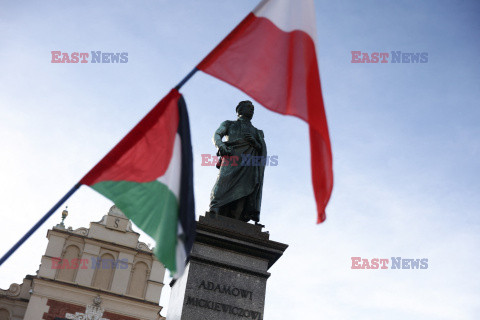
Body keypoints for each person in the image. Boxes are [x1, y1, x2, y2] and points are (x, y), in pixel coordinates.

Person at [209, 100, 266, 223]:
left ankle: (237, 219)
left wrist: (255, 143)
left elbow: (262, 150)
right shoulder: (229, 124)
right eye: (249, 107)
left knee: (244, 189)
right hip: (231, 158)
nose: (252, 109)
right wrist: (220, 145)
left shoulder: (257, 132)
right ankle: (214, 209)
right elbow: (217, 134)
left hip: (249, 163)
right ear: (239, 110)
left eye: (253, 108)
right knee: (223, 182)